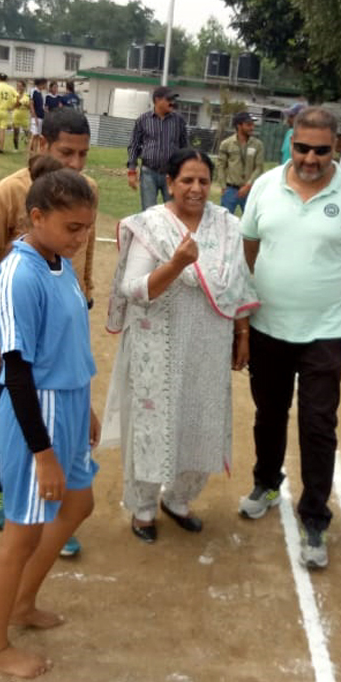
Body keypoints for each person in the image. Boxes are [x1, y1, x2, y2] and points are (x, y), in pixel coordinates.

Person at [238, 107, 341, 569]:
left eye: (321, 150)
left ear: (334, 148)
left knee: (318, 423)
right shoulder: (265, 186)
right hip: (268, 326)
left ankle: (315, 516)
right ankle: (266, 481)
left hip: (327, 331)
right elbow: (249, 246)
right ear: (291, 143)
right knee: (269, 412)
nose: (311, 158)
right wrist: (243, 315)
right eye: (303, 148)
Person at [0, 161, 99, 680]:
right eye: (73, 227)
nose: (82, 237)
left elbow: (67, 340)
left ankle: (24, 603)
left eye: (86, 226)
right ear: (37, 216)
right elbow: (18, 371)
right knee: (22, 532)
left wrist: (85, 402)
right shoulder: (18, 273)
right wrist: (43, 452)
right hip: (39, 412)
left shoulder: (58, 261)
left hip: (69, 401)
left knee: (80, 502)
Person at [105, 149, 258, 542]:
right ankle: (142, 508)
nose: (196, 188)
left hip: (208, 344)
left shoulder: (226, 226)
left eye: (203, 181)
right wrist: (175, 265)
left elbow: (237, 284)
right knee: (152, 426)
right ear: (169, 183)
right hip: (157, 345)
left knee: (201, 420)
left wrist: (242, 335)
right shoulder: (151, 226)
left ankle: (178, 499)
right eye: (187, 180)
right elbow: (133, 288)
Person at [0, 108, 97, 557]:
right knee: (10, 404)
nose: (76, 163)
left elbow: (84, 260)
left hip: (61, 320)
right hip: (17, 327)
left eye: (82, 153)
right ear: (42, 144)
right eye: (66, 152)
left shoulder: (84, 194)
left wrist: (87, 296)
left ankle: (55, 515)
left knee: (53, 422)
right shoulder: (8, 193)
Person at [127, 86, 188, 210]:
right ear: (157, 100)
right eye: (169, 99)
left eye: (173, 100)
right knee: (149, 212)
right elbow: (134, 146)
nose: (172, 103)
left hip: (171, 174)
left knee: (174, 211)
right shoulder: (143, 120)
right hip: (149, 172)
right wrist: (132, 170)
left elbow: (185, 147)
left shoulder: (179, 121)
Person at [215, 112, 264, 214]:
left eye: (253, 124)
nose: (252, 127)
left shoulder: (257, 144)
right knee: (225, 221)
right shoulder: (226, 144)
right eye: (249, 125)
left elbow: (259, 167)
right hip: (230, 189)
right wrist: (223, 186)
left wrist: (248, 186)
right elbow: (221, 166)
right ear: (239, 126)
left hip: (250, 190)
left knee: (250, 224)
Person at [12, 80, 32, 152]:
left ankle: (27, 147)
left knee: (27, 133)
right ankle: (16, 148)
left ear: (24, 87)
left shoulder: (27, 95)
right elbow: (14, 105)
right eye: (18, 86)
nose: (19, 87)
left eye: (21, 86)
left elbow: (30, 106)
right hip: (16, 114)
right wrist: (20, 102)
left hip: (25, 114)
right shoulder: (14, 95)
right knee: (15, 132)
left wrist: (25, 104)